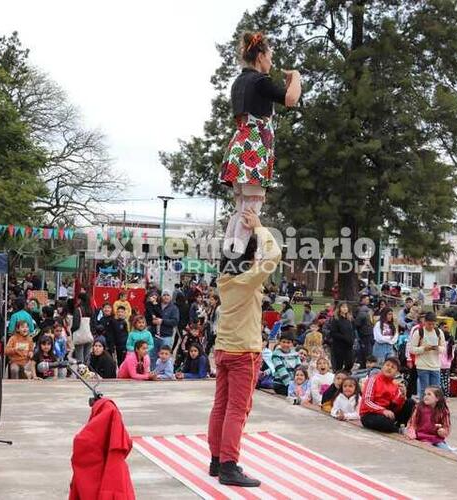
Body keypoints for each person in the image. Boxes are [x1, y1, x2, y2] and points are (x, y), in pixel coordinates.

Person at [208, 208, 281, 488]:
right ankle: (229, 465)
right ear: (250, 257)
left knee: (220, 407)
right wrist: (260, 228)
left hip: (224, 348)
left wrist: (239, 228)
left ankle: (216, 460)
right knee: (238, 410)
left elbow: (252, 257)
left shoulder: (225, 279)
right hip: (244, 352)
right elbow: (273, 256)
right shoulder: (248, 279)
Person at [219, 31, 301, 256]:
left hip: (239, 145)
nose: (272, 61)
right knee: (251, 211)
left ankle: (229, 258)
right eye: (270, 55)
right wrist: (296, 77)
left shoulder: (239, 82)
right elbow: (291, 99)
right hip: (254, 149)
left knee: (240, 209)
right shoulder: (259, 80)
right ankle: (241, 261)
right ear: (260, 56)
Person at [359, 357, 415, 433]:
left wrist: (402, 396)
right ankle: (396, 429)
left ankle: (399, 425)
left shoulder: (395, 385)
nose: (389, 368)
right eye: (387, 365)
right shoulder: (373, 379)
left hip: (386, 413)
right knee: (384, 421)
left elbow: (395, 407)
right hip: (370, 413)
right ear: (382, 367)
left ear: (397, 373)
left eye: (393, 367)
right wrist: (383, 410)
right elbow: (367, 401)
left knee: (410, 402)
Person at [405, 386, 455, 452]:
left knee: (447, 451)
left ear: (437, 398)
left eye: (429, 394)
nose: (425, 396)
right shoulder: (419, 407)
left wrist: (443, 431)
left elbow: (447, 427)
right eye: (425, 394)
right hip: (420, 437)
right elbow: (412, 422)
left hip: (436, 439)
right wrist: (411, 432)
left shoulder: (443, 410)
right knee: (426, 450)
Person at [409, 312, 445, 400]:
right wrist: (423, 349)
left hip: (435, 365)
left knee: (435, 391)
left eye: (433, 324)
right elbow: (412, 349)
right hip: (422, 365)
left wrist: (437, 348)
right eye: (429, 324)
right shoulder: (418, 332)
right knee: (424, 390)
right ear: (424, 322)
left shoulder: (439, 332)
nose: (431, 326)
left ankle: (434, 410)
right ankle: (423, 409)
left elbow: (444, 348)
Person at [152, 291, 179, 366]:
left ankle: (165, 374)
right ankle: (153, 373)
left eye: (168, 295)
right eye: (164, 295)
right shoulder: (156, 306)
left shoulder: (174, 308)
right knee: (153, 357)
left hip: (166, 337)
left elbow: (175, 321)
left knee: (165, 357)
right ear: (161, 296)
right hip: (154, 336)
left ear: (170, 297)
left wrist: (162, 321)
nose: (166, 297)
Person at [329, 302, 355, 372]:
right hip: (339, 345)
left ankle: (346, 373)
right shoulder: (336, 319)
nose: (345, 309)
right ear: (339, 309)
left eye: (346, 307)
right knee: (339, 364)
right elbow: (333, 333)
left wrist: (352, 338)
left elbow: (352, 330)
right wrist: (344, 337)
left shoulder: (349, 319)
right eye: (343, 307)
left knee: (350, 362)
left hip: (348, 345)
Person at [354, 295, 375, 367]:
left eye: (368, 299)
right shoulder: (362, 311)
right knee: (366, 352)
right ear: (362, 300)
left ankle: (364, 365)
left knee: (367, 351)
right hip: (364, 334)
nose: (368, 301)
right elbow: (357, 324)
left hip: (367, 333)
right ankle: (365, 365)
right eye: (366, 299)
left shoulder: (367, 310)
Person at [439, 321, 455, 396]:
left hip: (440, 364)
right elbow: (452, 356)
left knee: (440, 380)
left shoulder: (441, 345)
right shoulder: (451, 345)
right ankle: (446, 394)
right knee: (447, 380)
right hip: (448, 365)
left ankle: (441, 394)